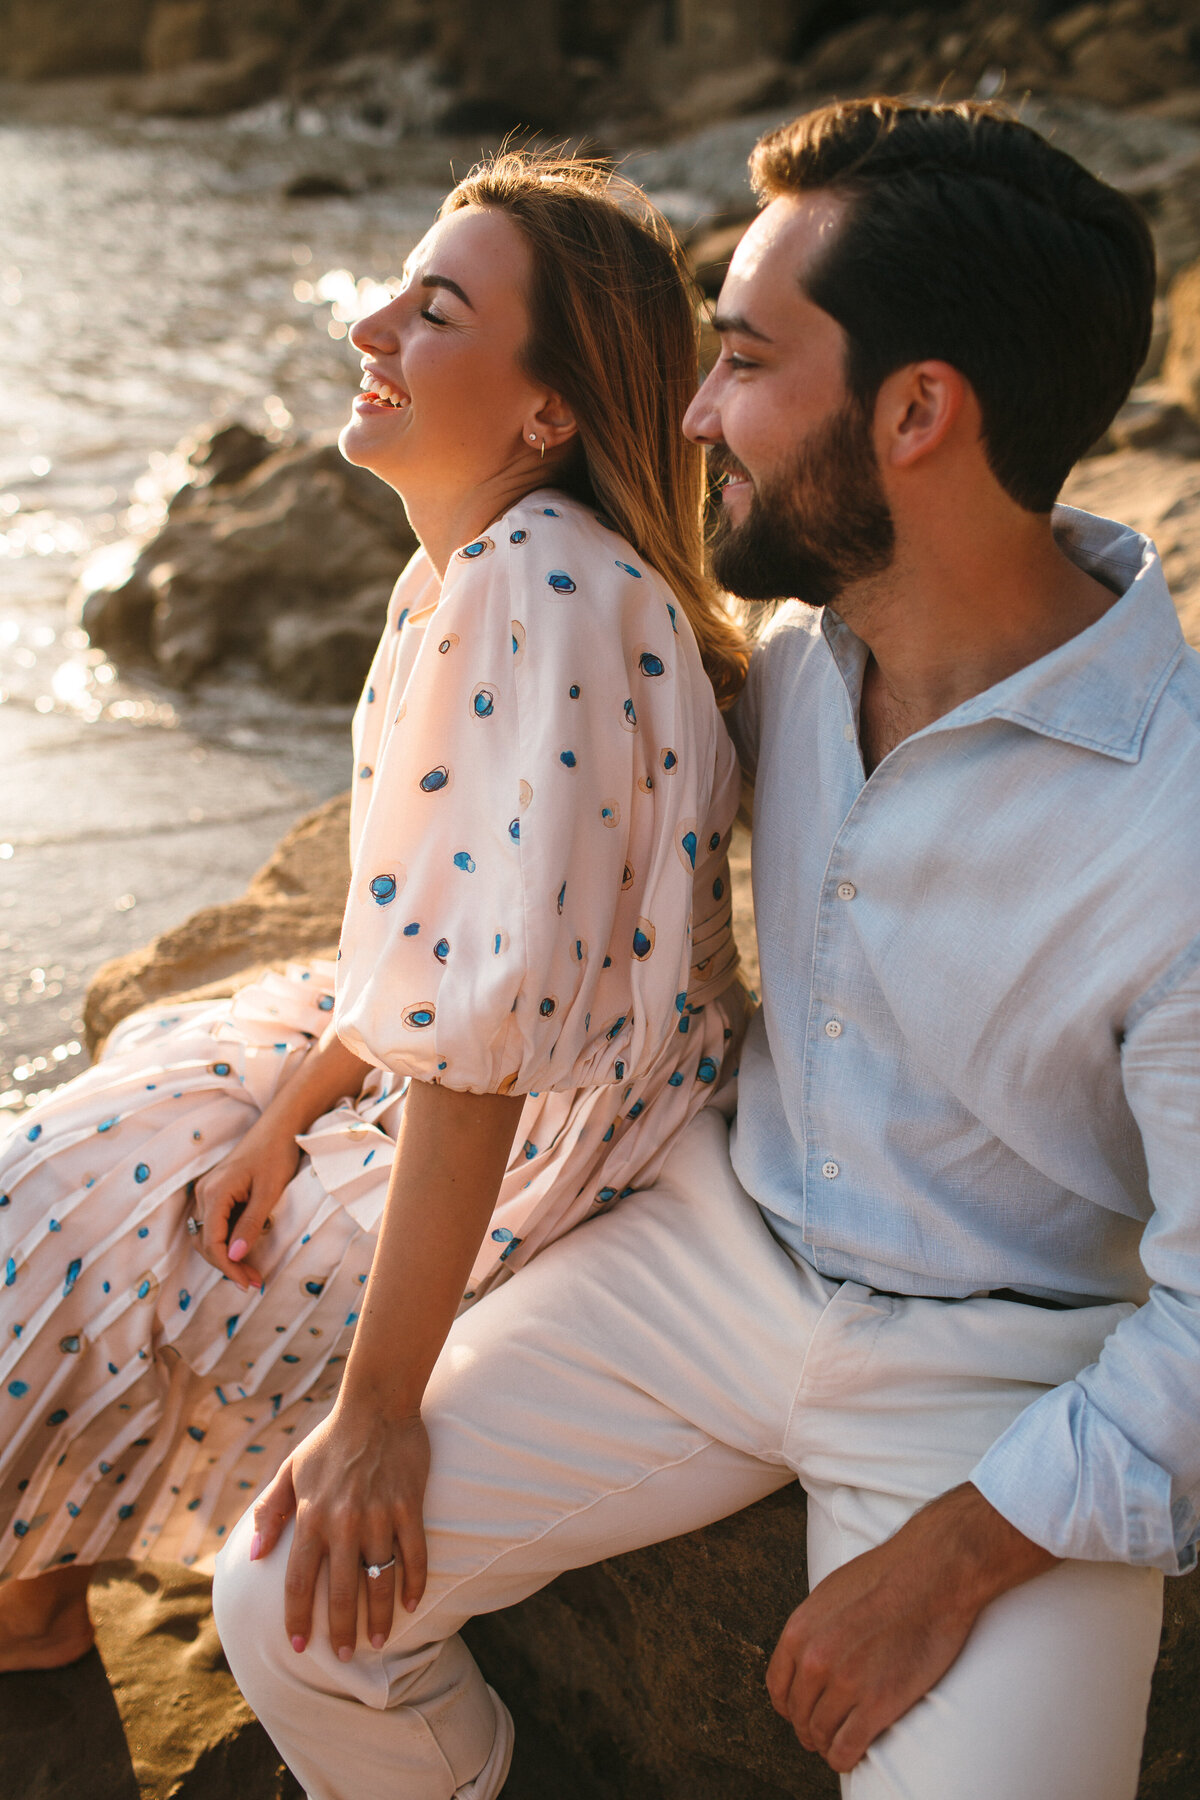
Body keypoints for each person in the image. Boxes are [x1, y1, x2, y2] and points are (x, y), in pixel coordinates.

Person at [213, 97, 1199, 1800]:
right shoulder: (795, 661)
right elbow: (527, 906)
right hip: (714, 1254)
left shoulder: (1170, 825)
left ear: (916, 413)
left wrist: (964, 1550)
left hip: (1003, 1373)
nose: (687, 413)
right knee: (292, 1609)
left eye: (740, 359)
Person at [0, 151, 750, 1702]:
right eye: (396, 290)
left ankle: (31, 1604)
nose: (370, 328)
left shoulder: (532, 587)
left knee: (64, 1227)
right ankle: (40, 1584)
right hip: (531, 1079)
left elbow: (485, 1049)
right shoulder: (494, 568)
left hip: (550, 1151)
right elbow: (461, 946)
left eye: (436, 309)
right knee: (115, 1132)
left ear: (552, 409)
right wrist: (294, 1097)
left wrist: (382, 1411)